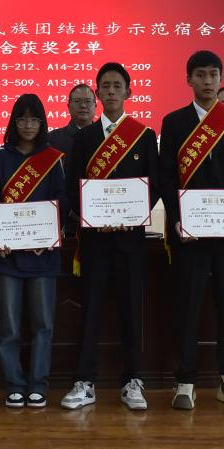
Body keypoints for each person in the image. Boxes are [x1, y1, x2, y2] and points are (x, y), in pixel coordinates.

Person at [158, 52, 224, 411]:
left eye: (213, 74)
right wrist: (177, 216)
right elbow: (166, 176)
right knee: (188, 306)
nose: (207, 81)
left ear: (221, 78)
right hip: (190, 233)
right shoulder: (174, 122)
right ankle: (185, 381)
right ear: (189, 80)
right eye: (200, 75)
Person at [61, 62, 159, 411]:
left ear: (129, 92)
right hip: (95, 240)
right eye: (106, 86)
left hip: (131, 240)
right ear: (98, 93)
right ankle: (84, 381)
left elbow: (155, 185)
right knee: (90, 310)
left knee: (131, 310)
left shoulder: (143, 135)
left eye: (118, 85)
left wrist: (132, 215)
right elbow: (72, 187)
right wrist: (91, 216)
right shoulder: (85, 138)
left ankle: (132, 380)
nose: (112, 91)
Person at [0, 93, 66, 408]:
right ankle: (15, 384)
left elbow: (62, 201)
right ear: (13, 123)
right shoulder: (0, 159)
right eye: (22, 119)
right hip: (8, 256)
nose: (28, 125)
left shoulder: (53, 159)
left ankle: (38, 384)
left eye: (34, 119)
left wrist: (49, 236)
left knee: (43, 325)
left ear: (42, 123)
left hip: (43, 255)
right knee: (10, 327)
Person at [48, 83, 98, 157]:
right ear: (69, 107)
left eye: (88, 101)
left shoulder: (105, 137)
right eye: (77, 101)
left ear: (95, 106)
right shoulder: (52, 139)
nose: (83, 105)